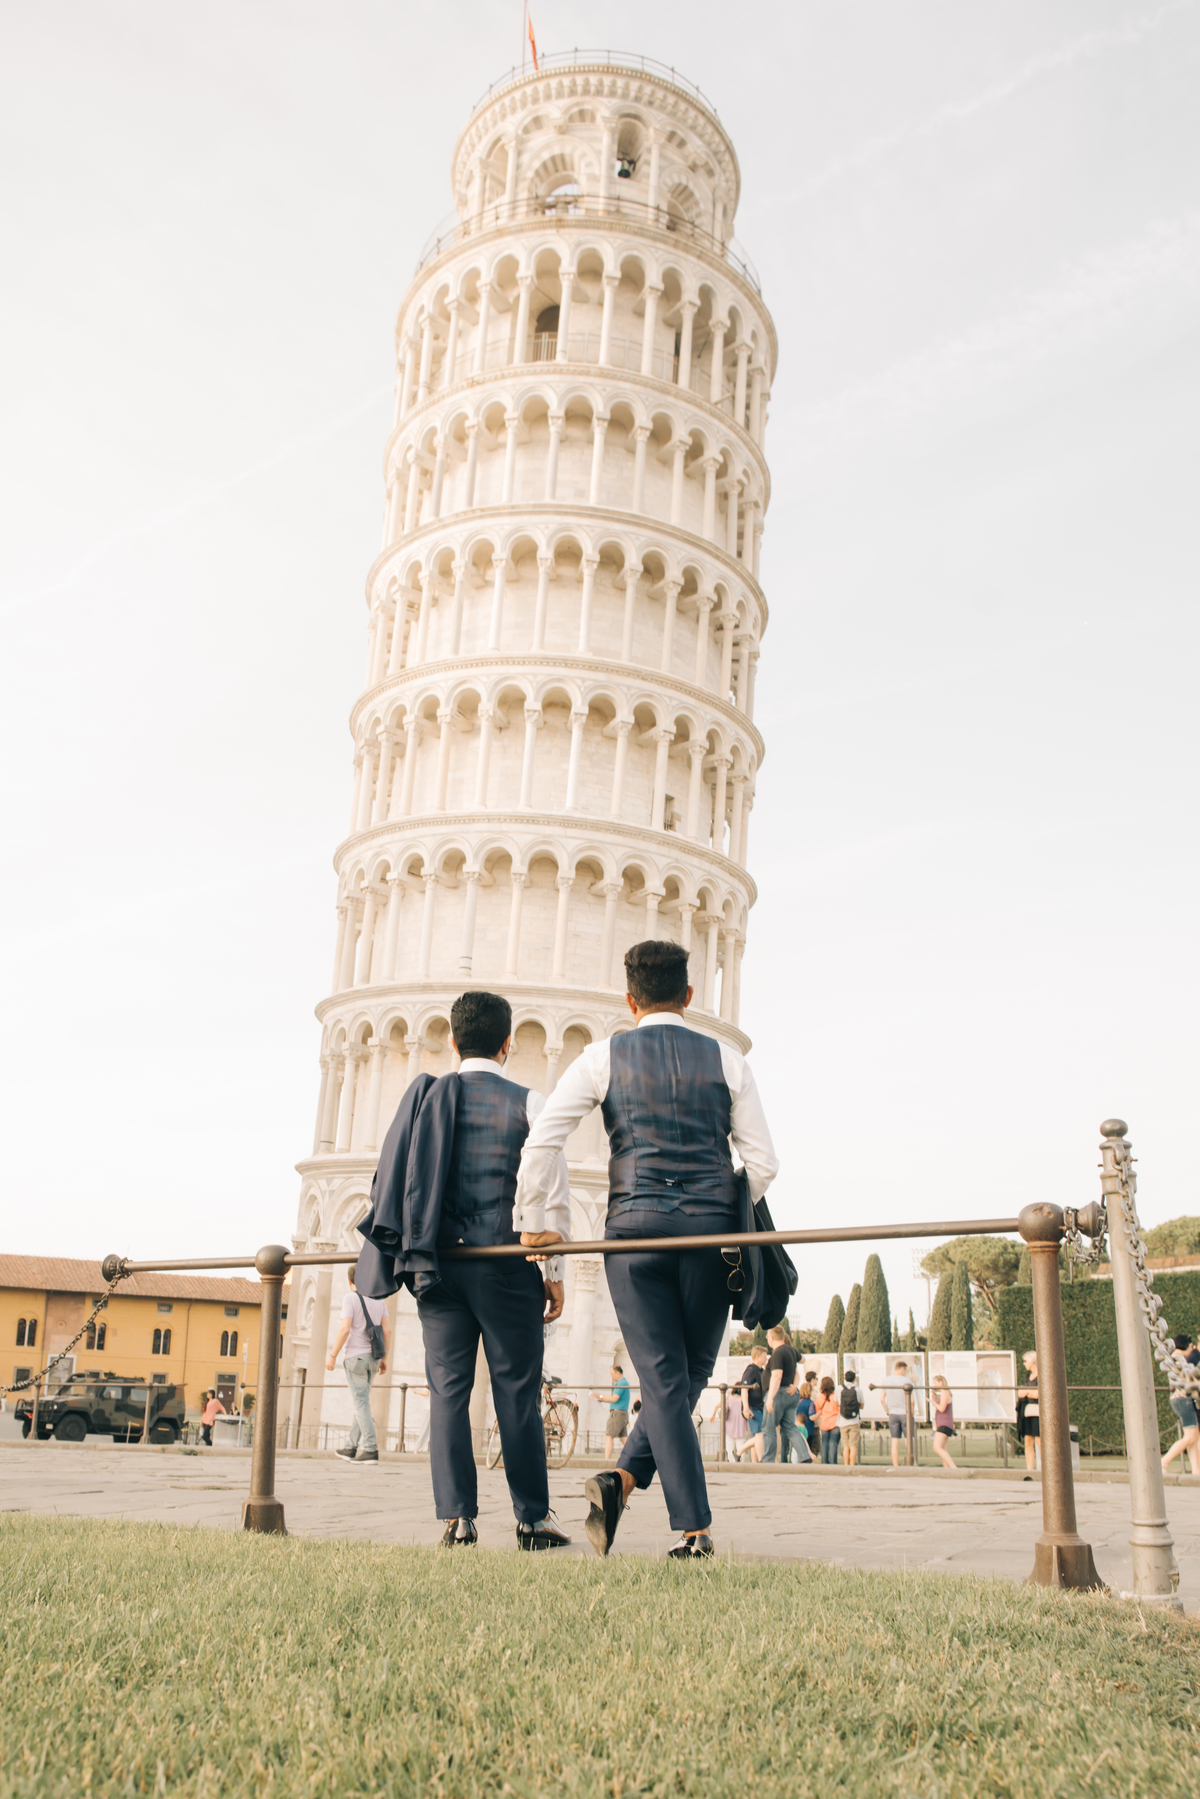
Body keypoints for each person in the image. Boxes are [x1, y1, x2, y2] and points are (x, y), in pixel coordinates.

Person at [516, 939, 779, 1559]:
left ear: (628, 999)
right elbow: (764, 1164)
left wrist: (534, 1221)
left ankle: (629, 1485)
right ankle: (684, 1523)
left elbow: (541, 1142)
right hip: (714, 1236)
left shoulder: (600, 1058)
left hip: (633, 1232)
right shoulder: (729, 1060)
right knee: (684, 1375)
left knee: (669, 1377)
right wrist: (724, 1198)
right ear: (688, 997)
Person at [408, 990, 572, 1550]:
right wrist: (554, 1272)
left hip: (439, 1267)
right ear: (508, 1044)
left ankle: (457, 1518)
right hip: (506, 1262)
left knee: (449, 1390)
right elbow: (549, 1195)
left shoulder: (426, 1100)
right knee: (517, 1391)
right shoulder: (531, 1102)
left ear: (453, 1041)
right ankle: (531, 1518)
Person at [327, 1267, 391, 1464]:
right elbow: (387, 1331)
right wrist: (384, 1358)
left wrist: (332, 1355)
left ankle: (371, 1449)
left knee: (360, 1403)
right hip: (372, 1358)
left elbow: (345, 1329)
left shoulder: (350, 1299)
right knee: (361, 1403)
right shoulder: (379, 1301)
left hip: (355, 1358)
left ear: (349, 1281)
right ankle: (351, 1447)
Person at [761, 1325, 807, 1464]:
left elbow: (776, 1376)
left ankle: (768, 1460)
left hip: (778, 1394)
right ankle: (805, 1455)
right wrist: (795, 1384)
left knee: (768, 1428)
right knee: (790, 1427)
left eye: (767, 1337)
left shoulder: (778, 1353)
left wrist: (770, 1398)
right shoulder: (791, 1351)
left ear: (772, 1338)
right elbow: (803, 1359)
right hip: (790, 1394)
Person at [1162, 1334, 1200, 1477]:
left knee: (1193, 1437)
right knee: (1190, 1436)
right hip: (1183, 1400)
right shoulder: (1180, 1359)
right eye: (1190, 1347)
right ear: (1185, 1346)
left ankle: (1196, 1471)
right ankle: (1164, 1461)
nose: (1192, 1350)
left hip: (1181, 1400)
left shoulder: (1174, 1358)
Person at [592, 1364, 633, 1460]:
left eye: (612, 1374)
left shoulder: (621, 1383)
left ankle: (607, 1460)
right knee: (623, 1438)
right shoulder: (625, 1382)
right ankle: (635, 1456)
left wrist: (600, 1396)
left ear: (618, 1373)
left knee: (609, 1436)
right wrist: (602, 1399)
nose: (611, 1376)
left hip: (617, 1413)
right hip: (623, 1413)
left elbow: (614, 1398)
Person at [737, 1345, 768, 1462]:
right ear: (757, 1356)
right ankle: (761, 1459)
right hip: (753, 1406)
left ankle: (742, 1452)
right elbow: (744, 1388)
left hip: (760, 1406)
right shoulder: (751, 1370)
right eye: (764, 1356)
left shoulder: (761, 1371)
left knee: (760, 1435)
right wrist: (746, 1407)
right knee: (760, 1434)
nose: (766, 1358)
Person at [884, 1360, 912, 1467]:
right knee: (908, 1440)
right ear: (902, 1369)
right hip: (905, 1413)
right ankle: (909, 1463)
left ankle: (895, 1466)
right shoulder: (906, 1381)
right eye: (905, 1370)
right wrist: (911, 1413)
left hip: (893, 1414)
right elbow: (912, 1401)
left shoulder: (886, 1380)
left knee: (894, 1442)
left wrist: (888, 1412)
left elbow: (882, 1399)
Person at [1017, 1350, 1039, 1476]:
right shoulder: (1027, 1378)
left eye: (1026, 1361)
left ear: (1032, 1361)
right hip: (1027, 1412)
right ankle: (1030, 1470)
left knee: (1040, 1442)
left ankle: (1043, 1468)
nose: (1024, 1364)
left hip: (1038, 1412)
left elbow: (1038, 1394)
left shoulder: (1041, 1377)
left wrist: (1028, 1392)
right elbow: (1020, 1393)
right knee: (1028, 1442)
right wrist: (1029, 1392)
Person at [931, 1376, 958, 1470]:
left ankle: (953, 1467)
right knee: (943, 1449)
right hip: (943, 1424)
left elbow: (941, 1408)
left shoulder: (944, 1393)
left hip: (944, 1424)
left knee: (937, 1447)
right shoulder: (943, 1393)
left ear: (941, 1382)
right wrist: (934, 1397)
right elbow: (939, 1406)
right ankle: (947, 1470)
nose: (934, 1385)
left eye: (935, 1382)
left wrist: (931, 1401)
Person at [839, 1370, 862, 1467]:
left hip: (843, 1420)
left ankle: (846, 1465)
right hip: (854, 1420)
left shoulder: (839, 1389)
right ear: (854, 1379)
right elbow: (861, 1405)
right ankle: (852, 1466)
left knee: (846, 1446)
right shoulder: (857, 1390)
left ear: (844, 1378)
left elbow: (837, 1403)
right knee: (853, 1446)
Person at [816, 1375, 841, 1463]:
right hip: (835, 1422)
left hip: (824, 1423)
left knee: (824, 1444)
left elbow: (817, 1408)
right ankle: (833, 1463)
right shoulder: (836, 1396)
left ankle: (824, 1462)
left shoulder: (820, 1397)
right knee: (833, 1443)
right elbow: (840, 1409)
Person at [796, 1377, 817, 1454]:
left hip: (796, 1428)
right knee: (808, 1449)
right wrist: (819, 1413)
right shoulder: (810, 1403)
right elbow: (812, 1417)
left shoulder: (797, 1402)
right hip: (808, 1429)